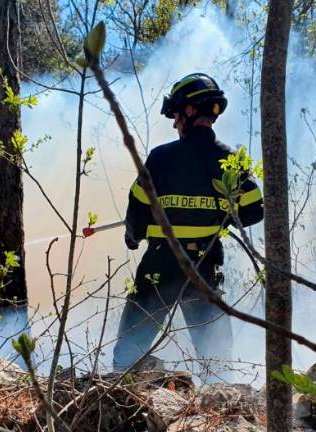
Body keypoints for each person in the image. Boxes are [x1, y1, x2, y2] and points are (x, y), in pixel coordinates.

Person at [112, 73, 264, 379]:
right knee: (216, 362)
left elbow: (137, 214)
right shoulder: (231, 160)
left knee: (128, 353)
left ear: (190, 111)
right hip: (205, 265)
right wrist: (223, 215)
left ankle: (121, 405)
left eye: (176, 115)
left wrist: (132, 236)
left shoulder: (161, 158)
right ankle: (221, 415)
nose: (174, 123)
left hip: (161, 264)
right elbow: (254, 211)